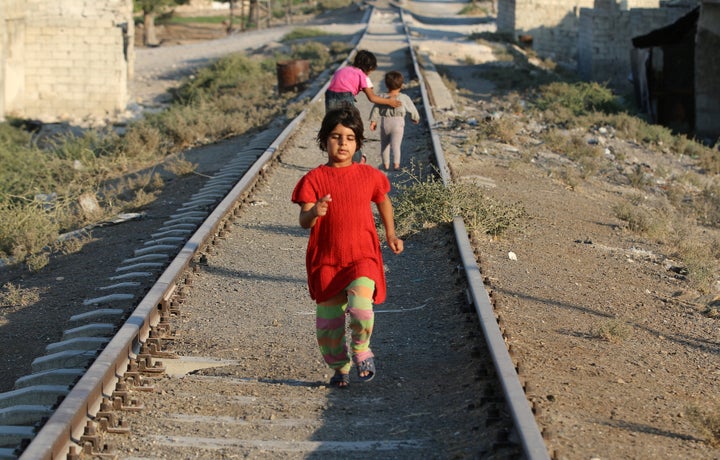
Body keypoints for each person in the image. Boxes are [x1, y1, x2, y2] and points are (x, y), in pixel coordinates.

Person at [291, 106, 404, 389]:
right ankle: (340, 368)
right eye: (336, 136)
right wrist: (315, 211)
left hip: (361, 256)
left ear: (358, 142)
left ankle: (362, 349)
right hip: (327, 260)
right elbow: (304, 221)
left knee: (361, 309)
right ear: (324, 141)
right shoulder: (314, 180)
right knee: (328, 328)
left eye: (350, 138)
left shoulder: (368, 175)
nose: (343, 143)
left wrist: (391, 233)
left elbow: (383, 200)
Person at [325, 50, 402, 164]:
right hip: (345, 98)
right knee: (351, 129)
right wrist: (389, 102)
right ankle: (357, 160)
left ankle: (334, 160)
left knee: (333, 128)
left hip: (329, 96)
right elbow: (372, 98)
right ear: (370, 67)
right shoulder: (362, 75)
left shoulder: (343, 70)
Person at [369, 70, 420, 171]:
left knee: (384, 145)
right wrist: (415, 117)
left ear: (386, 85)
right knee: (396, 145)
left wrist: (373, 121)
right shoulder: (404, 98)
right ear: (401, 85)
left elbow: (376, 109)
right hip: (398, 123)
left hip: (385, 123)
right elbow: (412, 109)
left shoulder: (382, 97)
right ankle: (396, 165)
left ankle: (386, 165)